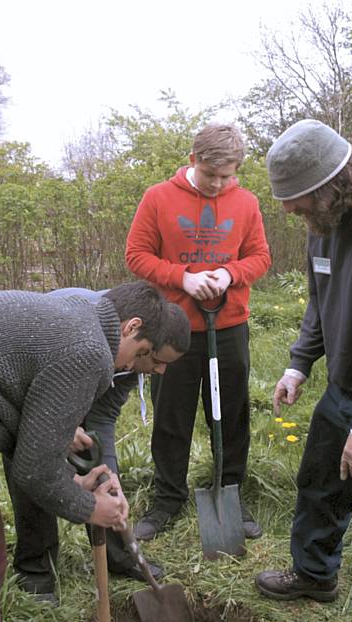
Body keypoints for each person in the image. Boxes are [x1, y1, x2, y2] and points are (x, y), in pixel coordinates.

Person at [0, 281, 169, 622]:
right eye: (142, 355)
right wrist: (88, 507)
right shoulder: (91, 349)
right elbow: (32, 470)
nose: (131, 366)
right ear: (131, 327)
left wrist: (63, 445)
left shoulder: (82, 315)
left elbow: (19, 384)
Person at [254, 119, 352, 622]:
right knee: (319, 485)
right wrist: (299, 363)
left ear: (336, 184)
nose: (289, 210)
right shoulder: (324, 225)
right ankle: (313, 575)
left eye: (297, 198)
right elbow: (320, 300)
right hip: (342, 391)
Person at [125, 123, 271, 541]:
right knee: (172, 416)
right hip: (172, 329)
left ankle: (229, 491)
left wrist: (228, 273)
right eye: (212, 175)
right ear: (194, 161)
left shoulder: (246, 202)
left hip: (228, 326)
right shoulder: (158, 198)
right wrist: (182, 278)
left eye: (228, 176)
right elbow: (136, 254)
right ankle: (168, 499)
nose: (219, 184)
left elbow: (260, 256)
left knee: (230, 414)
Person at [3, 289, 191, 601]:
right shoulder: (89, 326)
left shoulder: (135, 354)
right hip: (26, 381)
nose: (161, 371)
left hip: (80, 374)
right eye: (158, 361)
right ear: (135, 330)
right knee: (35, 463)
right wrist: (60, 425)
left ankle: (119, 556)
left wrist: (108, 475)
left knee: (103, 477)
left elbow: (103, 415)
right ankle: (35, 569)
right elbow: (32, 389)